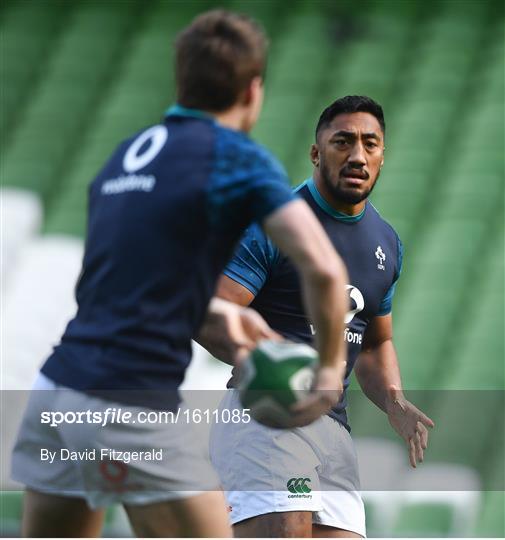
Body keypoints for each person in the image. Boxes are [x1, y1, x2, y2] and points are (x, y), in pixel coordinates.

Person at [10, 11, 349, 538]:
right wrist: (327, 376)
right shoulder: (235, 157)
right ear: (252, 90)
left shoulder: (124, 157)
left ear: (182, 81)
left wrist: (211, 309)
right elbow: (325, 270)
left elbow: (109, 288)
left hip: (58, 393)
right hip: (129, 402)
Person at [207, 96, 435, 538]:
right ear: (316, 152)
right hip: (267, 415)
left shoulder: (386, 242)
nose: (357, 155)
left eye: (371, 144)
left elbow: (373, 342)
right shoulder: (276, 224)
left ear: (383, 156)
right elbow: (212, 311)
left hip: (333, 426)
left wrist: (394, 400)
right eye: (343, 141)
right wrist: (264, 361)